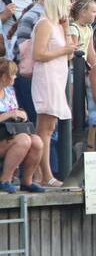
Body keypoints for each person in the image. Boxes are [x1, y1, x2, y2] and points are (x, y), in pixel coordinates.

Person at [30, 0, 72, 188]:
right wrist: (63, 49)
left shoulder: (57, 25)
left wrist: (66, 28)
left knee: (50, 127)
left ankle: (40, 172)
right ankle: (45, 174)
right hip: (47, 78)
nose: (71, 4)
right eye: (68, 1)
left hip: (57, 78)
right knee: (45, 129)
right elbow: (38, 54)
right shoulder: (45, 23)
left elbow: (71, 53)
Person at [0, 58, 44, 193]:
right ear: (3, 76)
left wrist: (20, 114)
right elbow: (9, 113)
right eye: (12, 74)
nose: (15, 77)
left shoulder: (9, 91)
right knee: (23, 140)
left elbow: (15, 110)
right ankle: (4, 180)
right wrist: (9, 114)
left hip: (8, 133)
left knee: (37, 142)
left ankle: (27, 181)